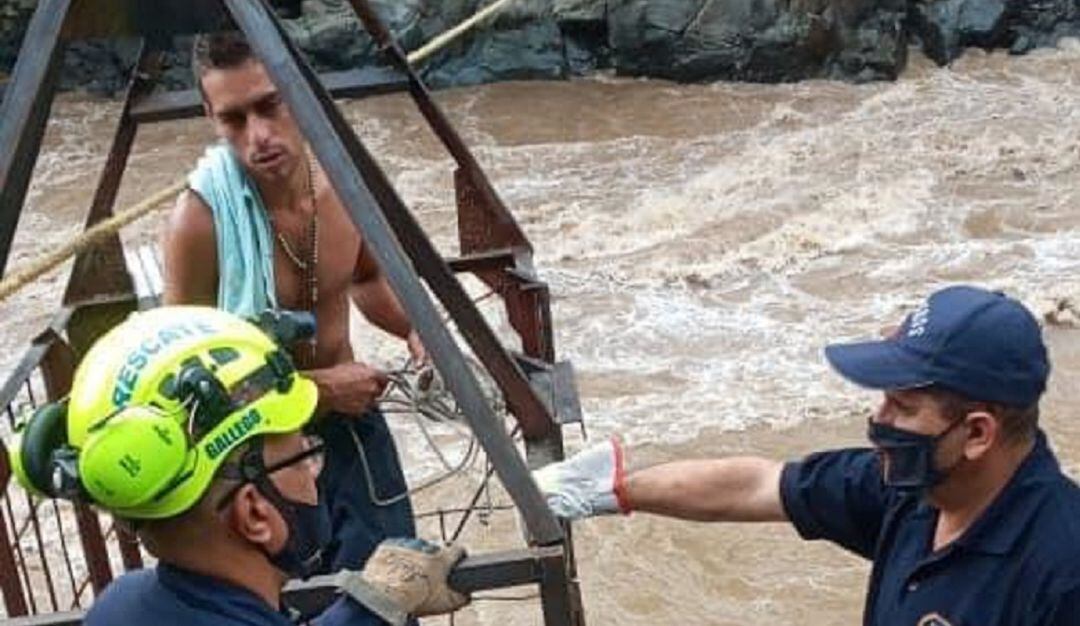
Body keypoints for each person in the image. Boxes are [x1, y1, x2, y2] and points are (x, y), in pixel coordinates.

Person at [535, 285, 1080, 625]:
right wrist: (612, 489)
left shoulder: (1060, 575)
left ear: (977, 434)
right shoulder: (911, 493)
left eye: (902, 406)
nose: (878, 423)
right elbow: (757, 486)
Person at [8, 306, 468, 626]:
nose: (314, 474)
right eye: (306, 454)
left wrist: (365, 609)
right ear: (254, 513)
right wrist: (374, 602)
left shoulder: (121, 604)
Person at [162, 31, 420, 572]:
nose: (259, 136)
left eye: (269, 105)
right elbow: (183, 384)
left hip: (350, 421)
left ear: (298, 93)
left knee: (398, 579)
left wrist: (416, 330)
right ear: (210, 116)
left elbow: (368, 279)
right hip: (253, 453)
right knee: (293, 603)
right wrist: (315, 390)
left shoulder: (346, 183)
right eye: (234, 119)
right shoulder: (200, 222)